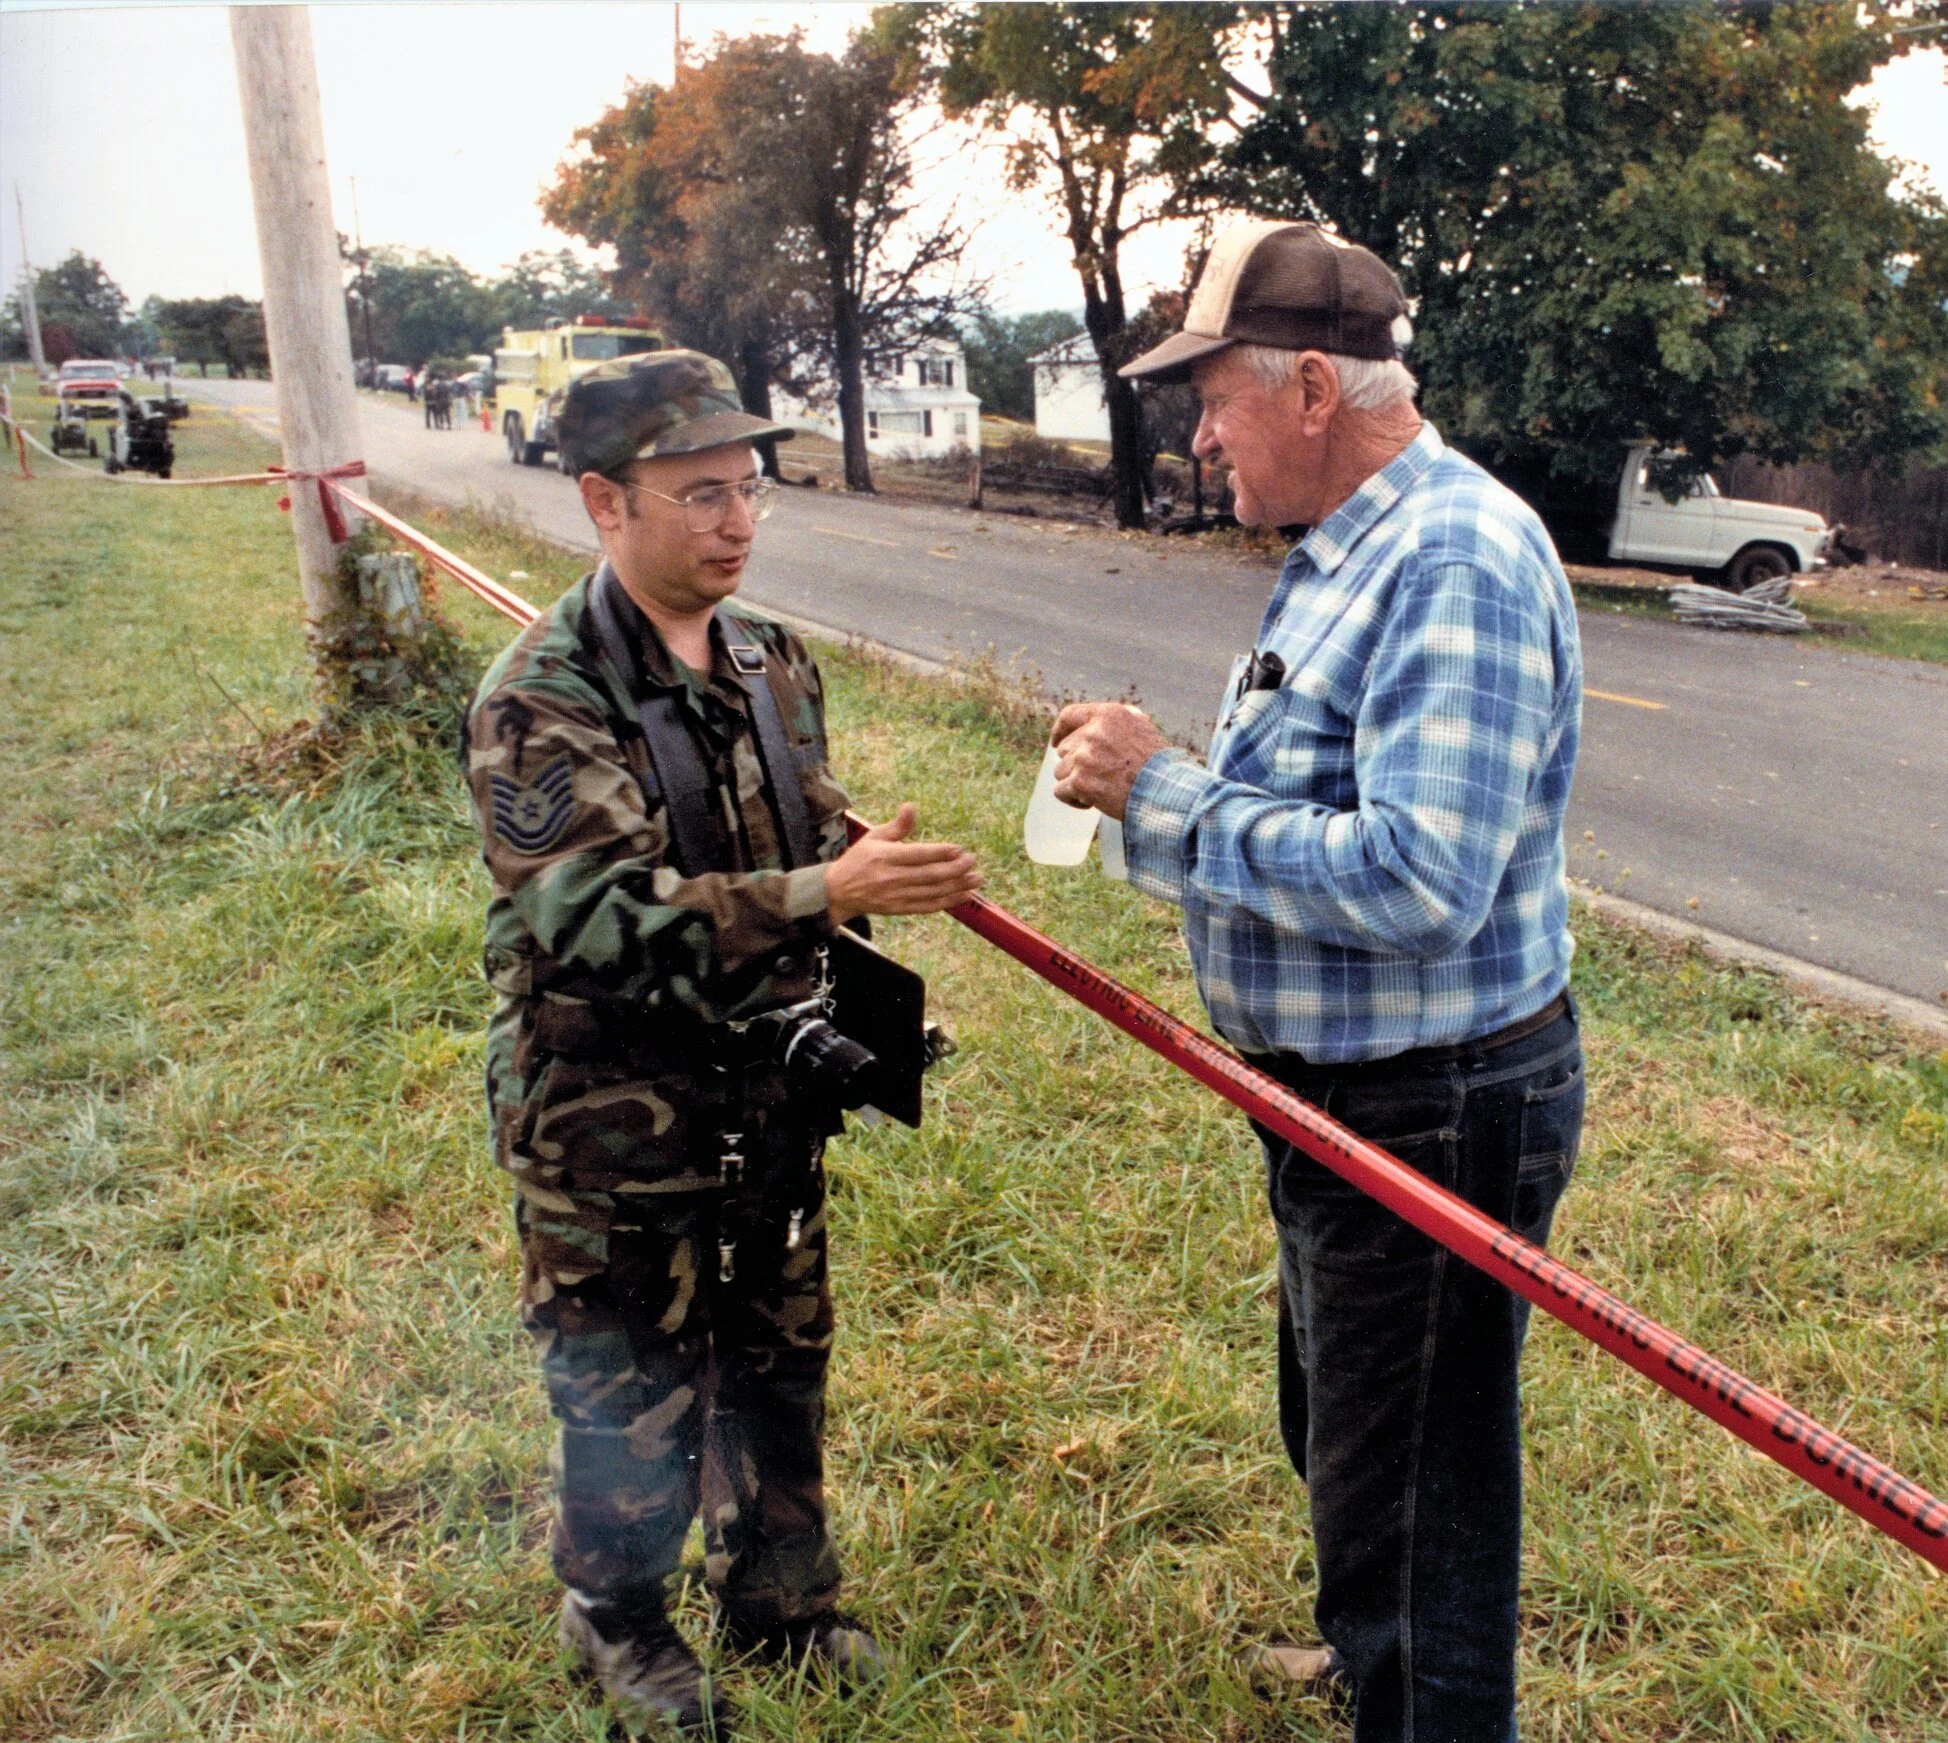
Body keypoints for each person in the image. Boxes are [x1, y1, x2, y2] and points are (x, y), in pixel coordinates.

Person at [1050, 222, 1585, 1740]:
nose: (1200, 435)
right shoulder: (1354, 548)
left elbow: (1422, 879)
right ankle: (1372, 1645)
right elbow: (1335, 793)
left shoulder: (1455, 561)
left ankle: (1416, 1687)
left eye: (1212, 399)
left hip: (1435, 1102)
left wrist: (1167, 796)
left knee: (1420, 1497)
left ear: (1304, 386)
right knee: (1350, 1431)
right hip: (1352, 1095)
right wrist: (1193, 784)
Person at [463, 349, 982, 1733]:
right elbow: (596, 919)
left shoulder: (769, 657)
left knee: (776, 1350)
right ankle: (619, 1618)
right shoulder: (541, 696)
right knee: (627, 1384)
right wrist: (826, 893)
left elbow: (792, 808)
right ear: (601, 502)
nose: (735, 521)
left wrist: (856, 844)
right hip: (610, 1119)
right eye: (698, 493)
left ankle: (781, 1597)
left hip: (762, 1097)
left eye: (748, 489)